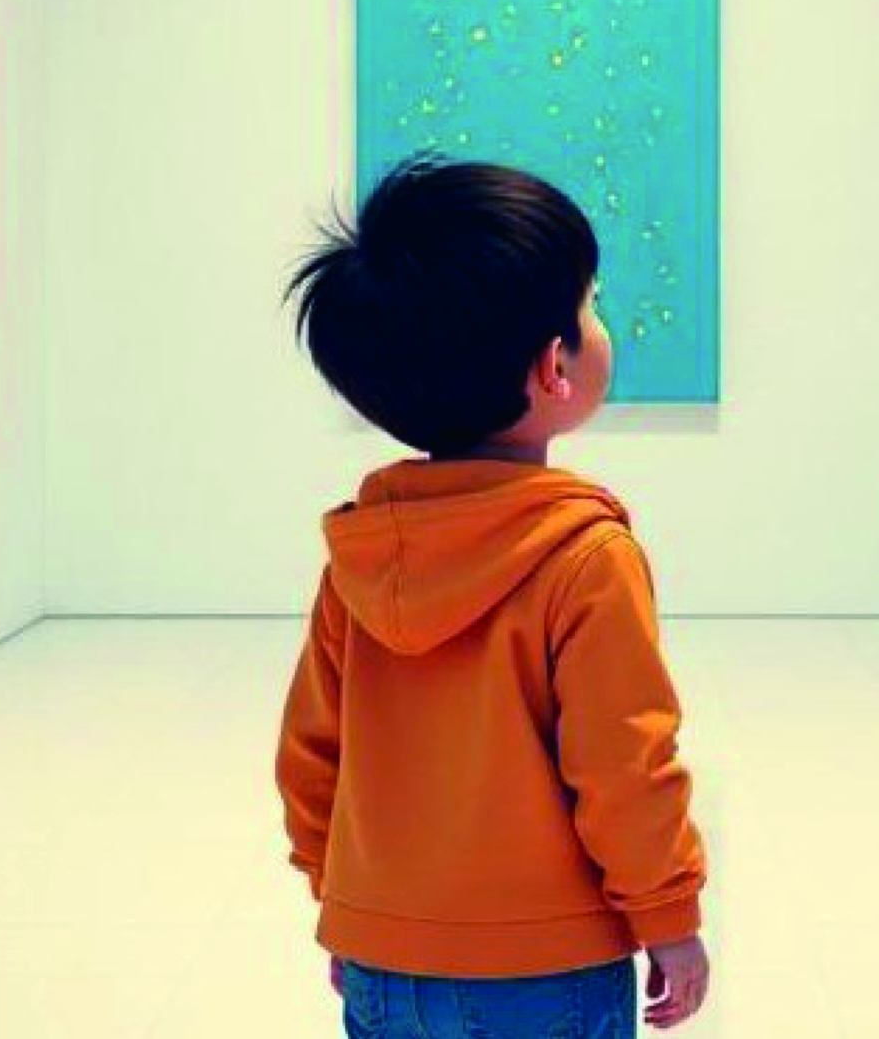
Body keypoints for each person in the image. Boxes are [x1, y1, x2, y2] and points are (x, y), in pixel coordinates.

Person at [275, 157, 710, 1037]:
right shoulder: (586, 556)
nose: (598, 322)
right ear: (554, 366)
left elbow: (312, 756)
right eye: (590, 305)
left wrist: (353, 907)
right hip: (546, 969)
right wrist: (669, 918)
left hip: (382, 962)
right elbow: (624, 766)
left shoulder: (362, 555)